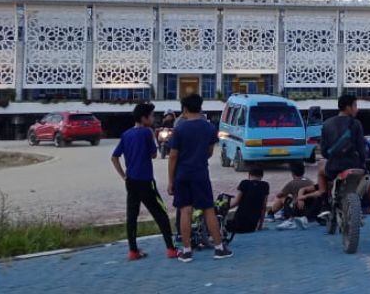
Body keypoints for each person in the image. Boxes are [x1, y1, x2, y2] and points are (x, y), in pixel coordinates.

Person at [168, 94, 233, 262]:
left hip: (182, 174)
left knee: (185, 210)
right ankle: (219, 248)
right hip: (200, 173)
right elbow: (209, 152)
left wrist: (170, 180)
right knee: (208, 210)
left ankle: (186, 251)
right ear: (200, 107)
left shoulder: (179, 129)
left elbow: (173, 156)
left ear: (184, 108)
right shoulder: (209, 127)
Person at [318, 93, 370, 244]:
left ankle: (324, 204)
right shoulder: (356, 124)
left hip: (334, 167)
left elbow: (323, 152)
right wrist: (363, 165)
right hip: (354, 166)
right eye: (355, 105)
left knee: (321, 173)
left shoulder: (327, 124)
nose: (357, 109)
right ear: (348, 107)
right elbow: (361, 150)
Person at [111, 103, 177, 260]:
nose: (153, 118)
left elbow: (114, 157)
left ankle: (133, 251)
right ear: (144, 118)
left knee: (132, 216)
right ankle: (171, 249)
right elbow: (154, 154)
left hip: (131, 181)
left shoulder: (126, 134)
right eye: (151, 115)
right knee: (160, 214)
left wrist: (123, 176)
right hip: (146, 181)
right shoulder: (147, 132)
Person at [267, 162, 313, 227]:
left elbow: (279, 195)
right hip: (308, 210)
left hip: (295, 211)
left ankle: (271, 214)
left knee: (282, 198)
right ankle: (282, 211)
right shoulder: (310, 182)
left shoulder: (292, 183)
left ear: (293, 173)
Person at [226, 167, 269, 234]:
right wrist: (260, 225)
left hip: (238, 223)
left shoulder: (244, 183)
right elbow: (264, 207)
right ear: (262, 176)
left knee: (222, 222)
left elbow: (236, 202)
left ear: (249, 175)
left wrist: (225, 208)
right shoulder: (265, 185)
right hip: (252, 226)